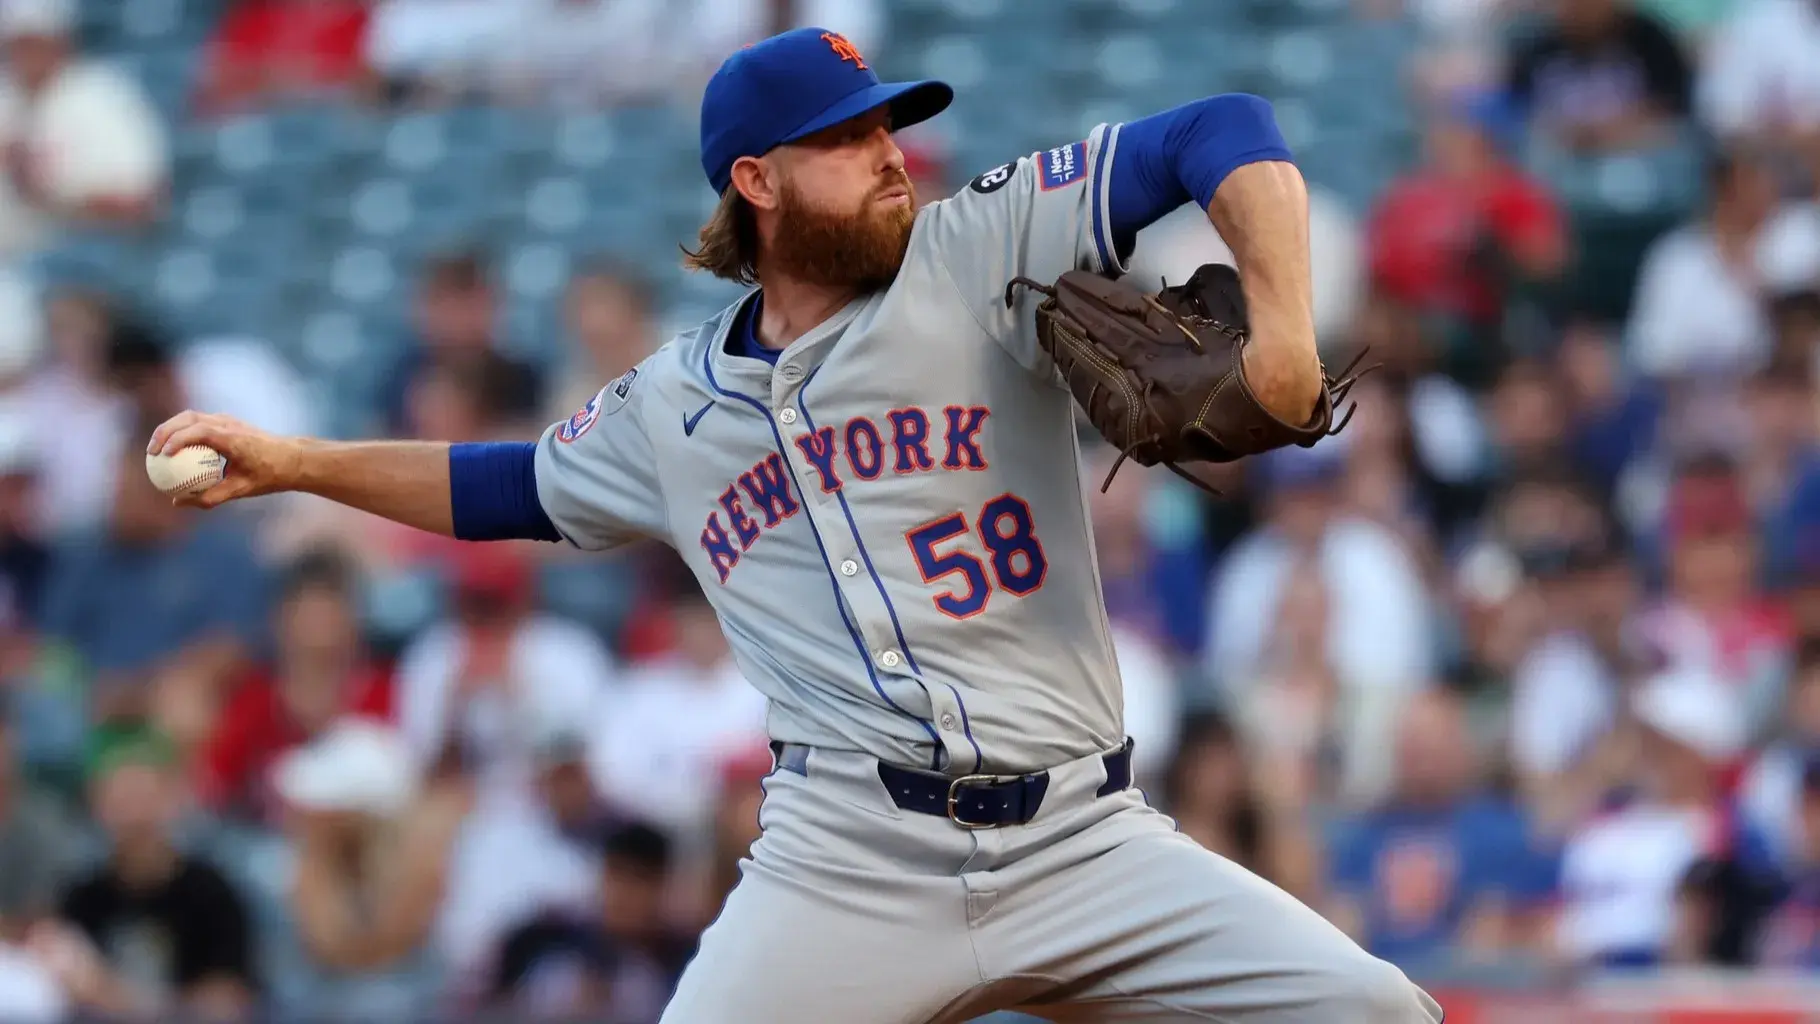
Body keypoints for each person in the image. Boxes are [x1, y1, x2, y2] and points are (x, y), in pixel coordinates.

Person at [145, 26, 1443, 1023]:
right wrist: (295, 461)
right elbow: (508, 486)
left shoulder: (979, 248)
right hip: (849, 862)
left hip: (1086, 837)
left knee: (1377, 1011)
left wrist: (1281, 330)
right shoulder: (673, 407)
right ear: (759, 181)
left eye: (888, 129)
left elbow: (1219, 129)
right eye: (850, 141)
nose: (890, 156)